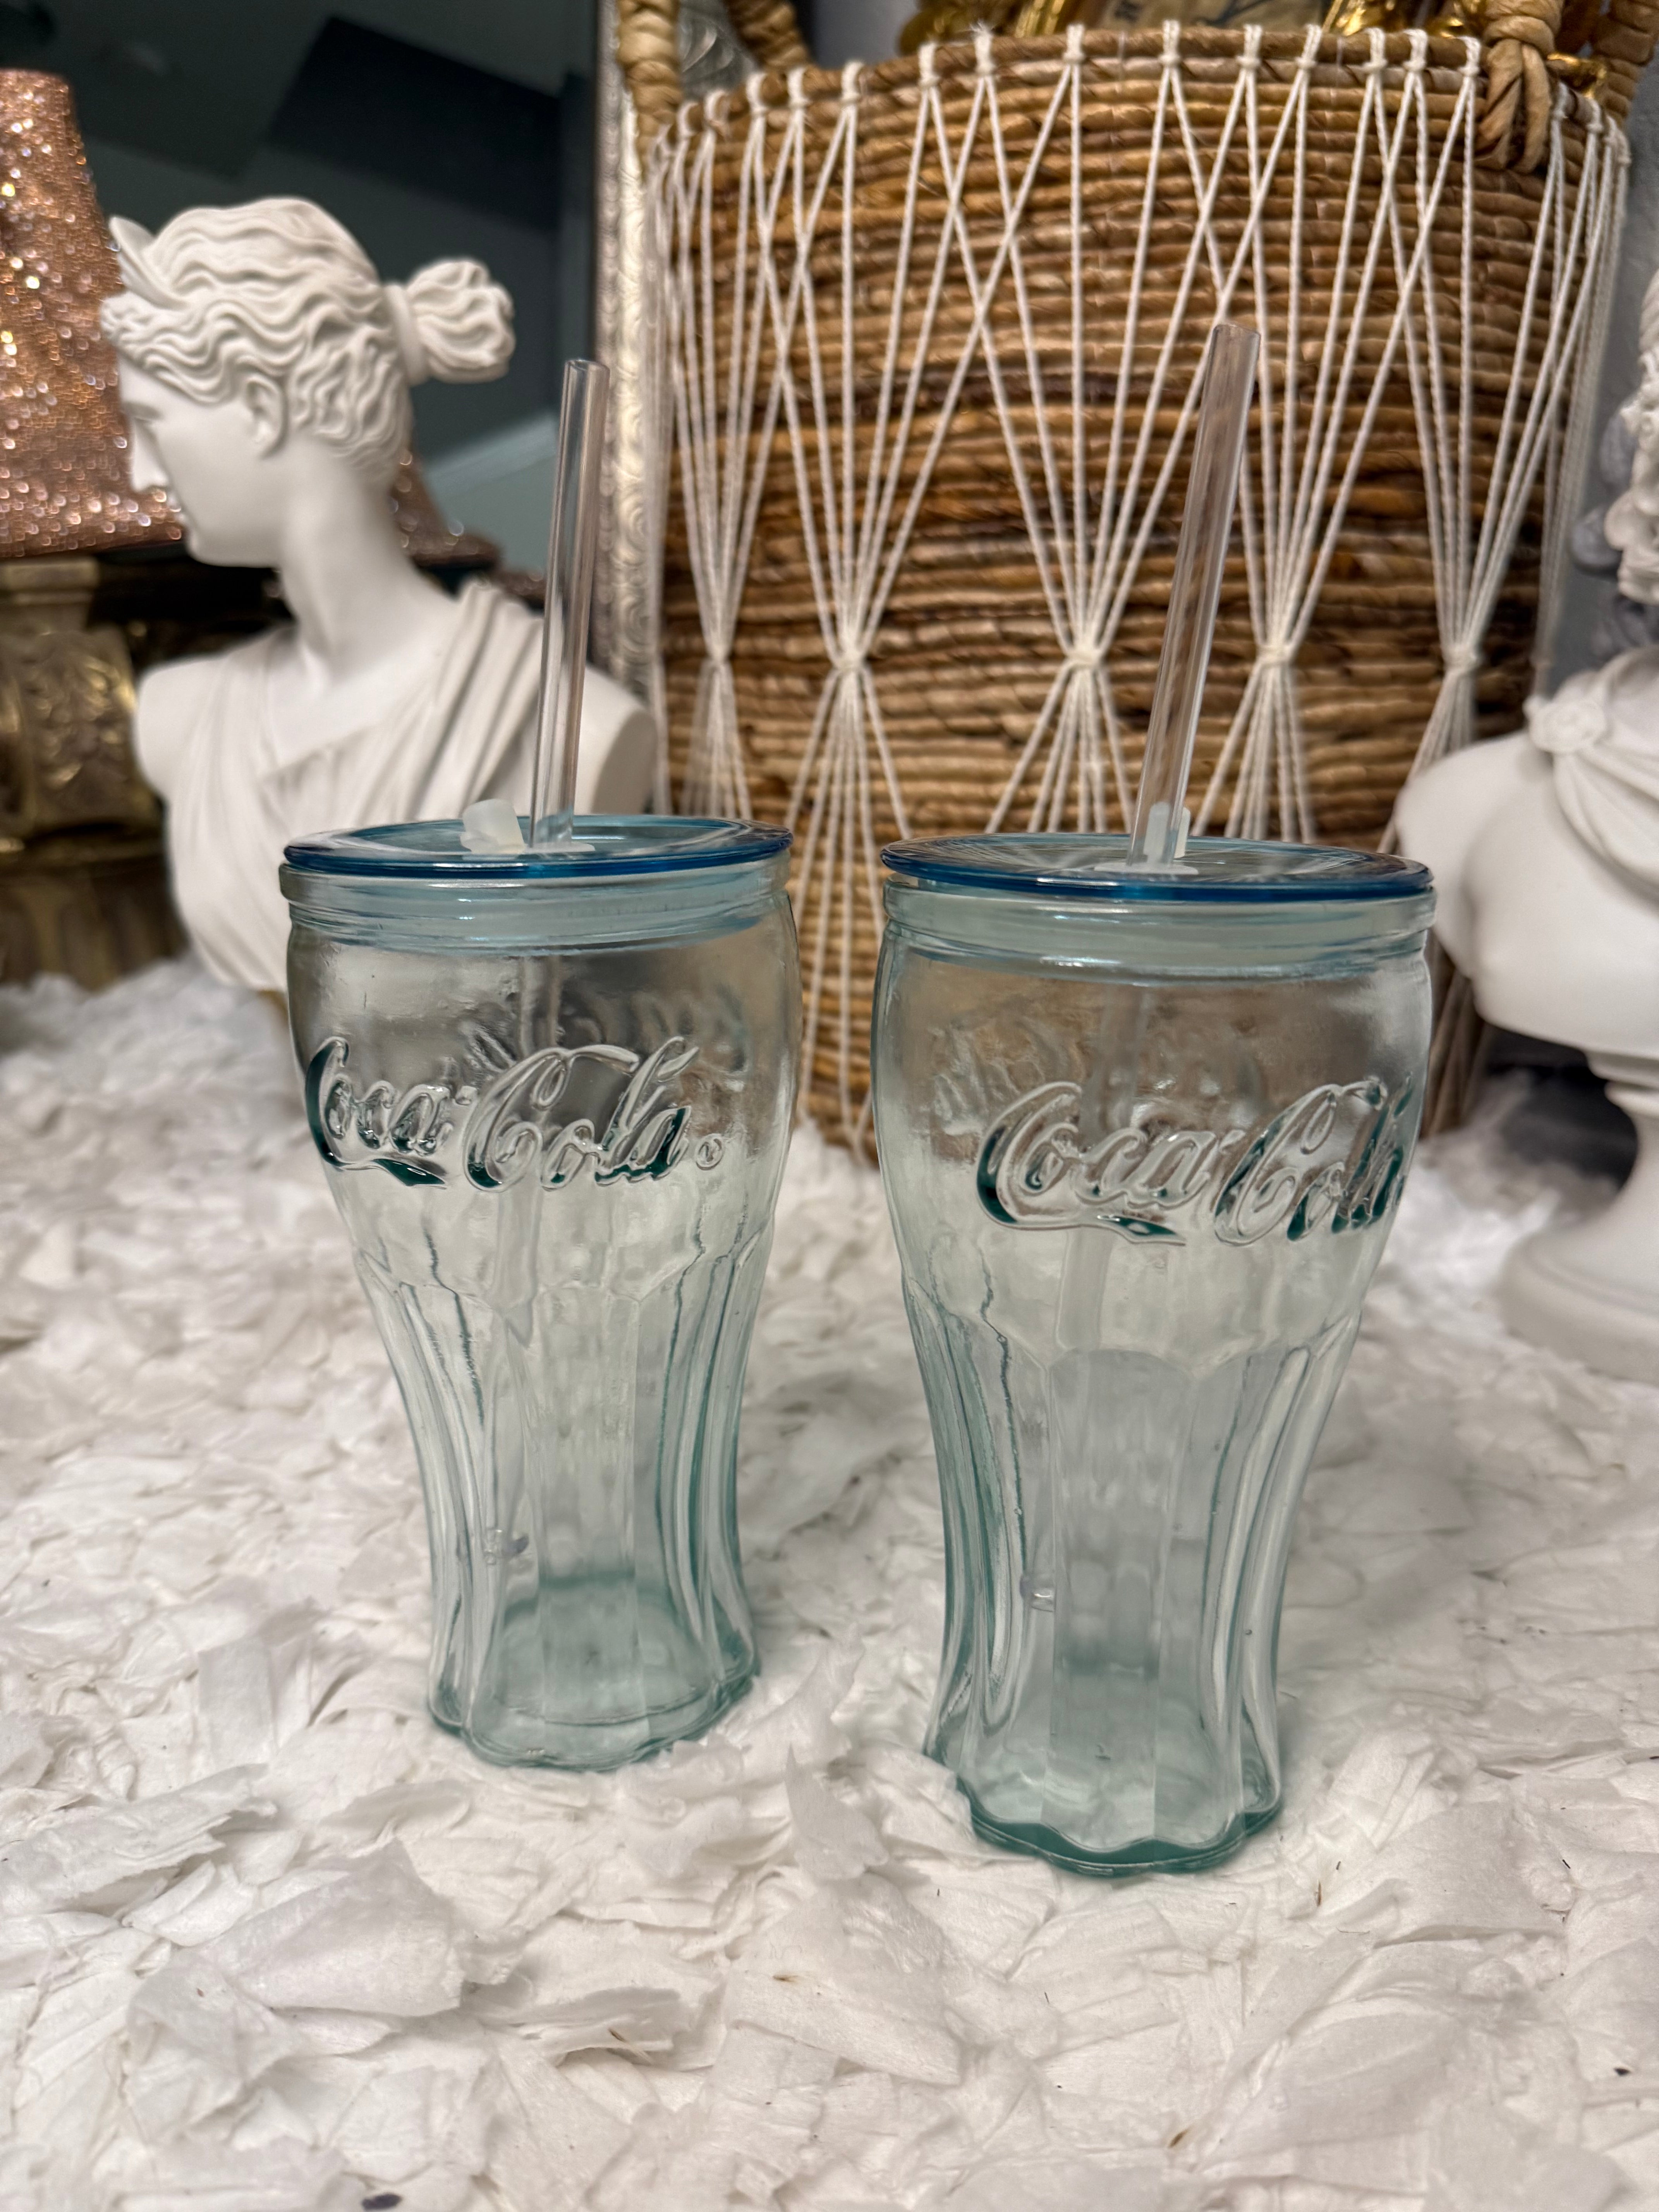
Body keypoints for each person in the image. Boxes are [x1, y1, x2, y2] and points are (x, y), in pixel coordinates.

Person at [101, 197, 655, 993]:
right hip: (243, 1077)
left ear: (262, 406)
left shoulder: (571, 725)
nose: (143, 473)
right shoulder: (182, 715)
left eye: (154, 423)